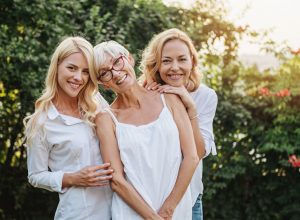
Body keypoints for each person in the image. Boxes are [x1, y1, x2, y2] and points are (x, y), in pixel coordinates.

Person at [93, 40, 204, 220]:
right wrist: (153, 218)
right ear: (102, 83)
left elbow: (191, 157)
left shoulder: (168, 98)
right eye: (105, 73)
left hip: (175, 211)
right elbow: (117, 181)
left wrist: (168, 209)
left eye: (117, 62)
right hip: (132, 214)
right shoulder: (106, 119)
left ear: (129, 59)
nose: (116, 73)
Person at [24, 36, 113, 220]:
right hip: (80, 214)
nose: (78, 77)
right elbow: (35, 175)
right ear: (57, 67)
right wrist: (72, 178)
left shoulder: (96, 102)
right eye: (71, 68)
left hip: (119, 210)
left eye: (86, 71)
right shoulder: (41, 121)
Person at [140, 28, 218, 220]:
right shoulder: (144, 93)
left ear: (192, 60)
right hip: (147, 197)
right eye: (166, 61)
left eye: (182, 59)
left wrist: (190, 108)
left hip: (189, 198)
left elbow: (198, 153)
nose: (175, 67)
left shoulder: (205, 96)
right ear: (156, 64)